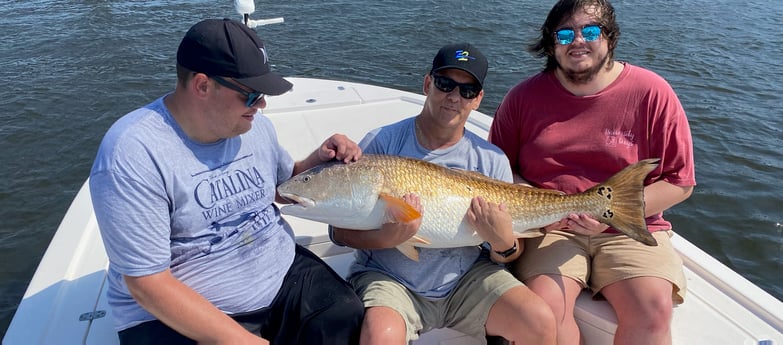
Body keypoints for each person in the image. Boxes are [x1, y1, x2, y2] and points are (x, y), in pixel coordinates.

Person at [89, 18, 364, 345]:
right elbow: (146, 283)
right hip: (178, 310)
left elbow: (280, 188)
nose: (261, 105)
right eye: (252, 95)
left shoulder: (254, 127)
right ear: (202, 85)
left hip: (276, 271)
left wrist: (317, 161)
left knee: (346, 314)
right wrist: (239, 340)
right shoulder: (132, 153)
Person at [489, 1, 696, 344]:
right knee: (544, 310)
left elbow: (679, 181)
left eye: (591, 31)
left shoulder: (652, 92)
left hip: (630, 225)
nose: (578, 41)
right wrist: (543, 207)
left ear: (610, 38)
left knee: (653, 310)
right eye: (566, 33)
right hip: (550, 228)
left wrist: (607, 213)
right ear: (551, 43)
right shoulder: (522, 98)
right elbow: (498, 170)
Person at [331, 43, 556, 345]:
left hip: (469, 278)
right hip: (389, 278)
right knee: (380, 336)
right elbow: (338, 231)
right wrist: (387, 238)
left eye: (466, 90)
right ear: (427, 84)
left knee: (540, 322)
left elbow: (509, 255)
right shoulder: (383, 143)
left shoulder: (491, 159)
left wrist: (503, 242)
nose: (453, 97)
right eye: (445, 84)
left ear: (478, 100)